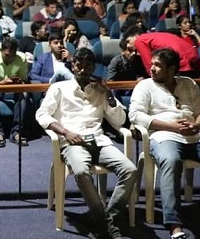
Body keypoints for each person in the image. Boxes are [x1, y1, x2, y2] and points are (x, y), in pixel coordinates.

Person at [129, 47, 200, 239]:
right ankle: (174, 225)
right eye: (152, 64)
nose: (152, 68)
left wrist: (197, 124)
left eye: (158, 65)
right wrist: (171, 126)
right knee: (171, 161)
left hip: (196, 135)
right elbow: (135, 115)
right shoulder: (145, 86)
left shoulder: (188, 83)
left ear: (172, 69)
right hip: (164, 135)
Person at [36, 48, 137, 239]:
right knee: (82, 171)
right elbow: (42, 115)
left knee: (130, 170)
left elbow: (118, 121)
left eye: (87, 66)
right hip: (72, 142)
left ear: (93, 67)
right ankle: (108, 225)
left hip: (99, 140)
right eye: (79, 65)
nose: (83, 69)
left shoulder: (100, 90)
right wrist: (66, 132)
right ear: (72, 65)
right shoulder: (59, 88)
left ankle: (104, 221)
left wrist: (108, 94)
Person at [0, 37, 32, 147]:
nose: (10, 58)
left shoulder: (21, 58)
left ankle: (16, 132)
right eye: (7, 55)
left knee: (24, 94)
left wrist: (19, 82)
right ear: (1, 51)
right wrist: (2, 83)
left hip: (12, 88)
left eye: (13, 55)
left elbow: (24, 80)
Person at [125, 28, 200, 78]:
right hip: (193, 56)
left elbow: (150, 66)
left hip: (180, 60)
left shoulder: (139, 40)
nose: (128, 45)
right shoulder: (153, 35)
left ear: (136, 36)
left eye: (128, 41)